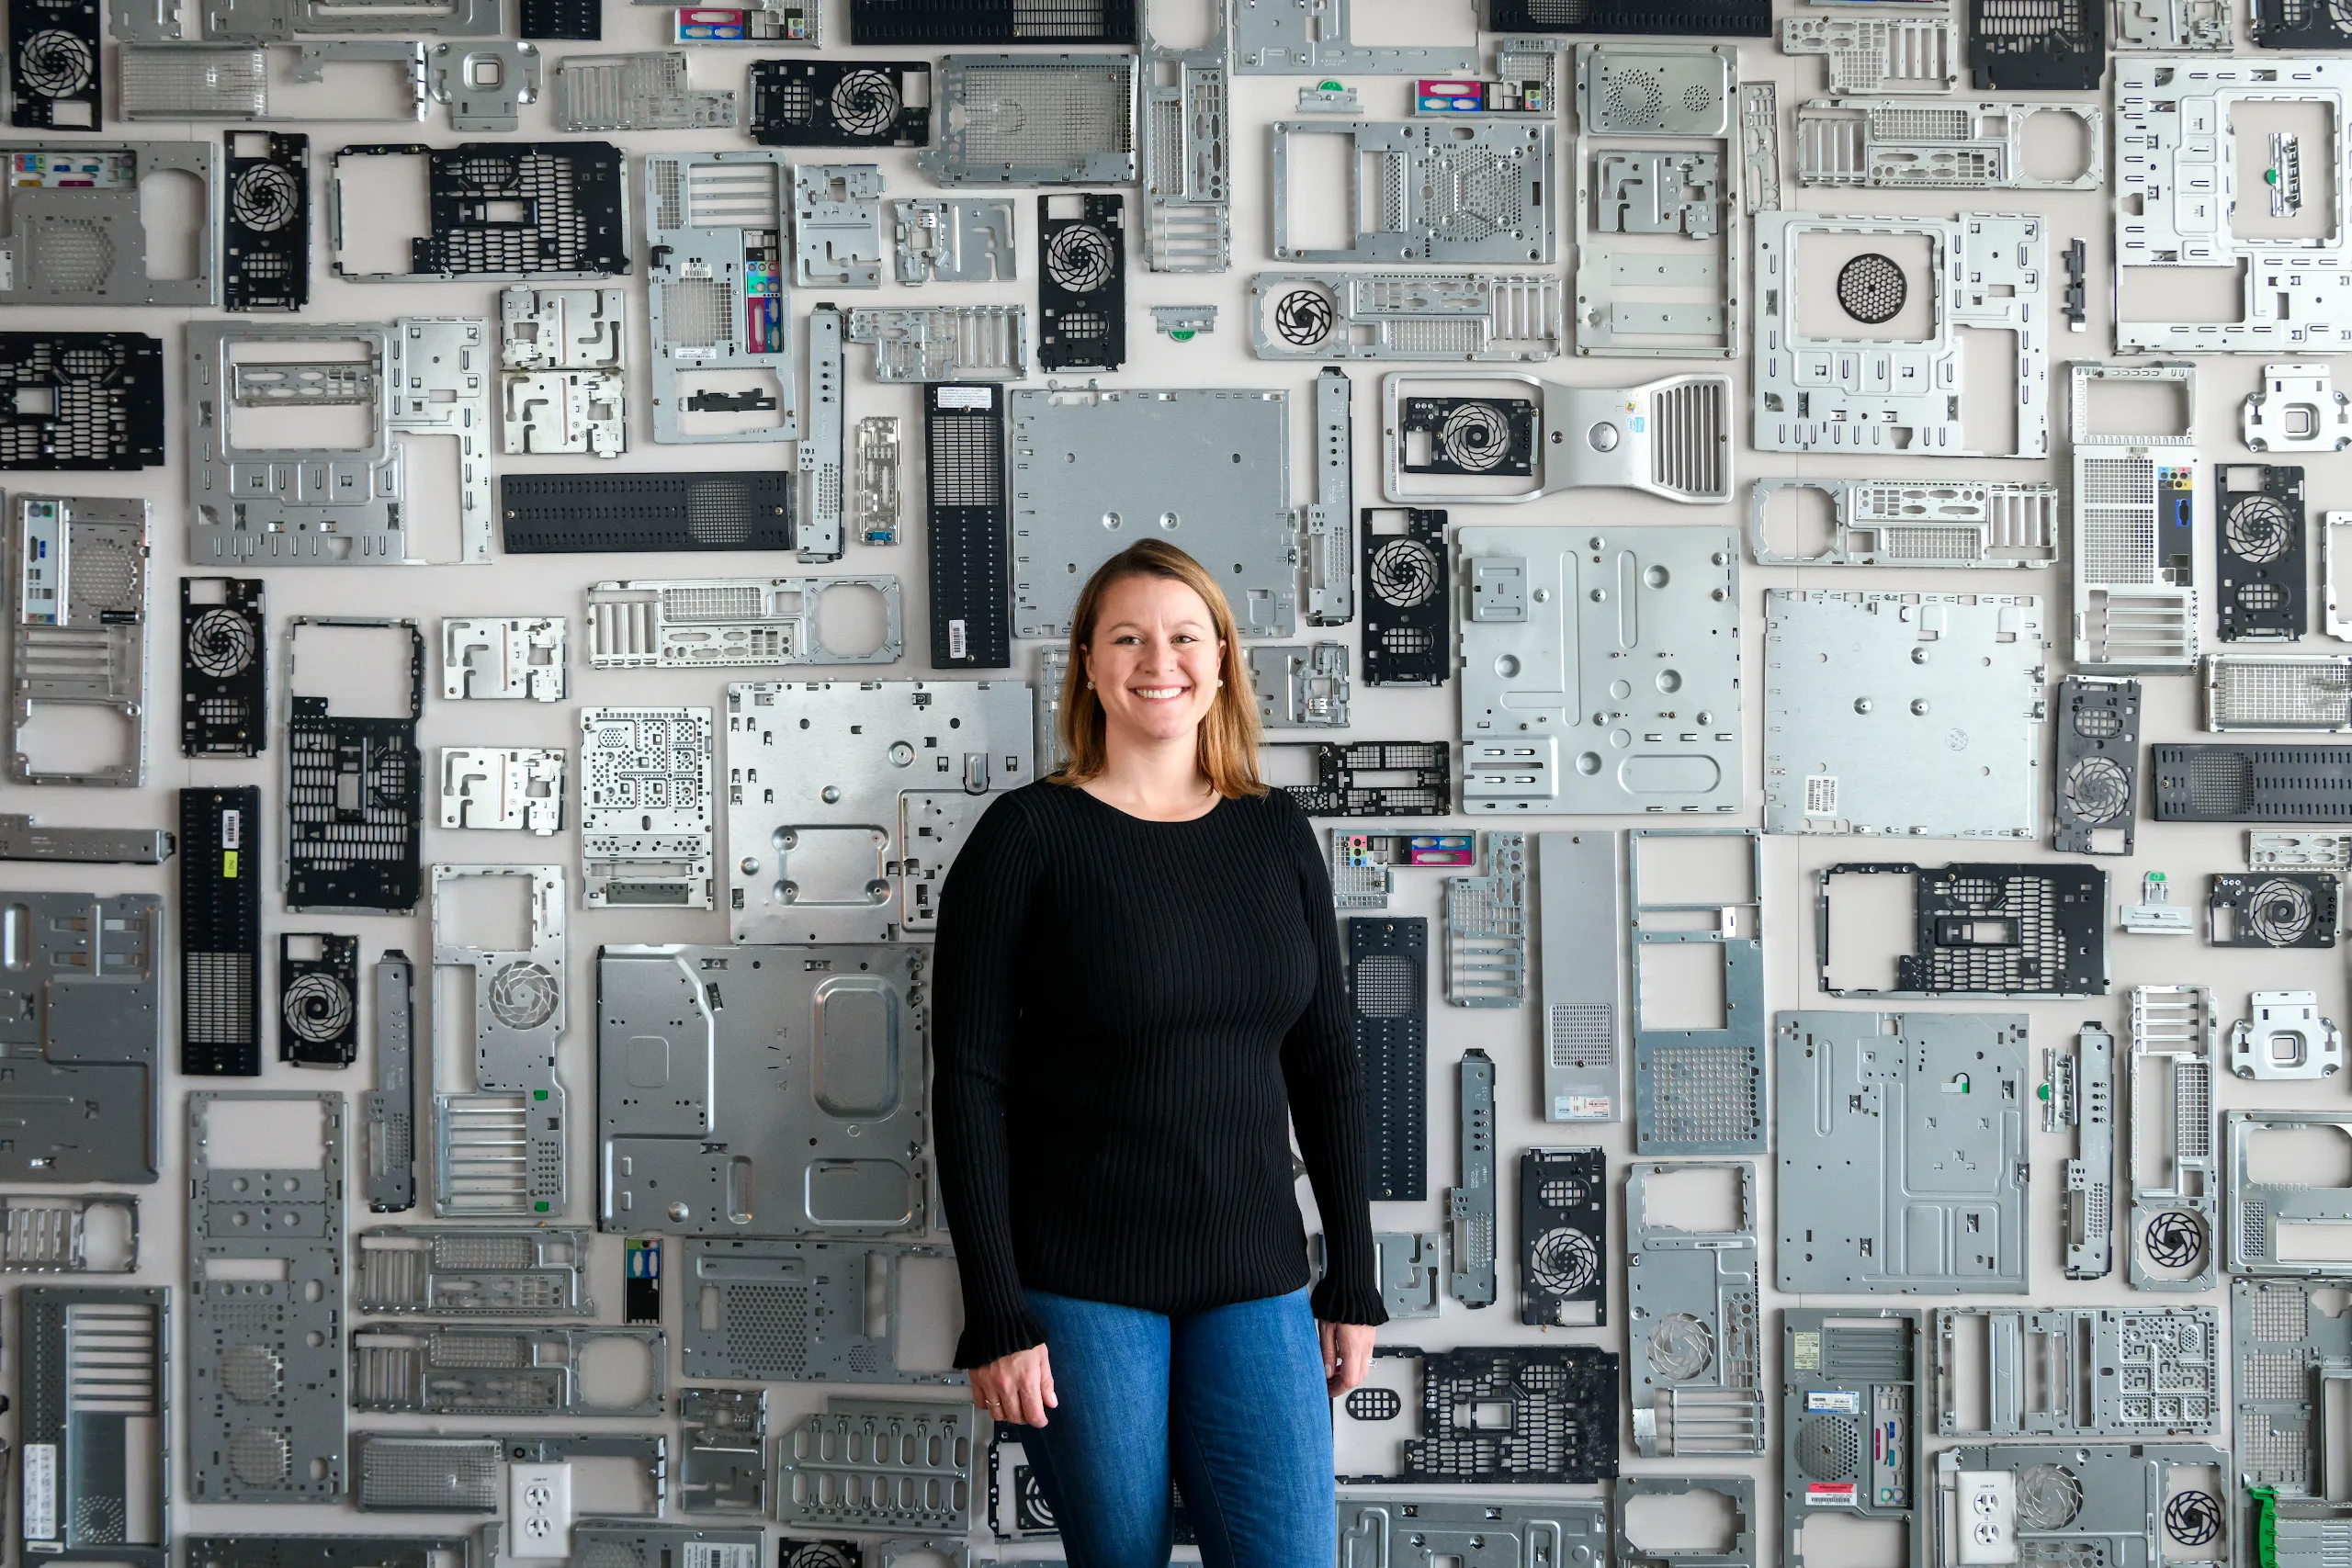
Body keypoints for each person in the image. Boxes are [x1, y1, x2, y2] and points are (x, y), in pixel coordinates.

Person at [933, 538, 1386, 1567]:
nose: (1159, 660)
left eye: (1186, 636)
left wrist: (1351, 1280)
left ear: (1222, 659)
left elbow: (1328, 1063)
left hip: (1256, 1276)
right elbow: (967, 1086)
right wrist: (994, 1312)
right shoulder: (1025, 837)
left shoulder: (1275, 833)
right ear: (1087, 665)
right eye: (1127, 637)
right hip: (1080, 1287)